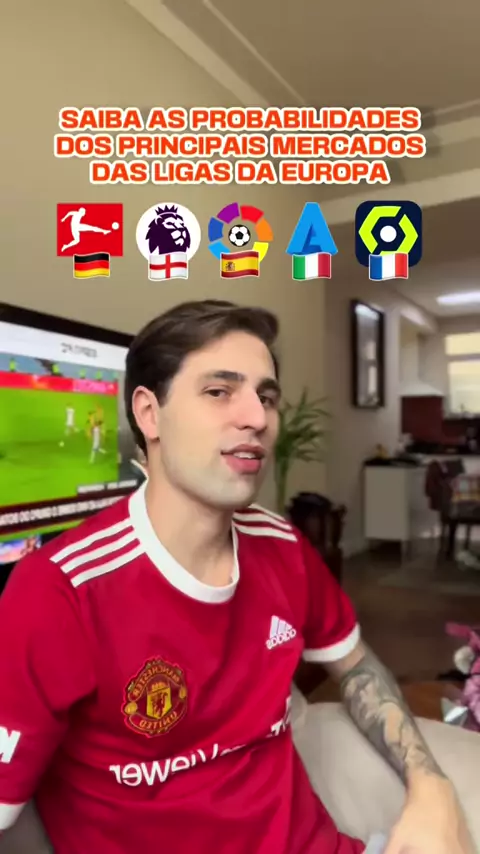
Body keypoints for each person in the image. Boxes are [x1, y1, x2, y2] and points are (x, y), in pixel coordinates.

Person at [0, 300, 474, 854]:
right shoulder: (59, 592)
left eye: (266, 397)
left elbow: (356, 665)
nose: (257, 418)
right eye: (219, 391)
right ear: (149, 414)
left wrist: (431, 786)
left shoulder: (283, 547)